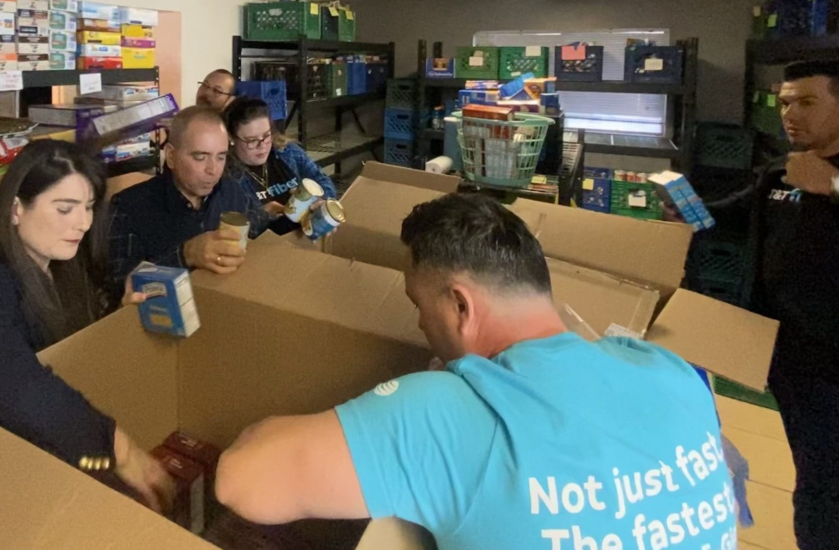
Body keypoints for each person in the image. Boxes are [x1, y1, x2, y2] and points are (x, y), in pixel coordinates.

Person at [214, 193, 737, 549]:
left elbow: (241, 480)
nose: (420, 322)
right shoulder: (671, 371)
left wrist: (441, 392)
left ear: (461, 306)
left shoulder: (452, 413)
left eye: (419, 303)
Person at [0, 140, 173, 512]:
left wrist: (117, 319)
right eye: (65, 209)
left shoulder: (65, 267)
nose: (83, 223)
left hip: (40, 453)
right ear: (16, 209)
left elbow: (70, 357)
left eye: (89, 207)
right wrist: (119, 448)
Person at [708, 60, 839, 549]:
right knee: (814, 470)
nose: (790, 114)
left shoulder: (821, 176)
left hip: (832, 365)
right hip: (788, 360)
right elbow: (728, 217)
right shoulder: (781, 172)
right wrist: (684, 208)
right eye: (784, 103)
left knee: (823, 486)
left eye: (807, 102)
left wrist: (831, 186)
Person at [108, 105, 274, 304]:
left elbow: (260, 225)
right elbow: (118, 292)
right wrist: (185, 255)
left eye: (221, 157)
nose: (213, 170)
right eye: (200, 157)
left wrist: (300, 216)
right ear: (171, 156)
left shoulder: (230, 190)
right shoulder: (129, 208)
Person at [224, 98, 337, 226]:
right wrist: (262, 215)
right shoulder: (227, 175)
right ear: (231, 138)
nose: (262, 146)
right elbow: (232, 226)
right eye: (251, 140)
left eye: (266, 136)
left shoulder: (287, 151)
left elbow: (321, 179)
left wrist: (320, 201)